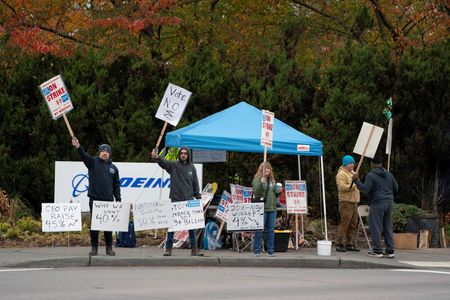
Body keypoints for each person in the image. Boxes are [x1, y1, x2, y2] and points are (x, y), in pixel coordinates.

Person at [71, 137, 121, 256]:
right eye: (102, 151)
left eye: (107, 151)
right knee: (95, 225)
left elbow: (116, 185)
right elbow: (83, 155)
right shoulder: (92, 162)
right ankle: (94, 248)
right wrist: (78, 146)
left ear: (109, 154)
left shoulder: (114, 168)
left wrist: (118, 199)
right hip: (95, 200)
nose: (105, 153)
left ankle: (109, 248)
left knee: (108, 226)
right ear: (99, 153)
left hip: (108, 201)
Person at [151, 147, 203, 256]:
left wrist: (198, 198)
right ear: (179, 155)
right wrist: (157, 157)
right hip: (175, 200)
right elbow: (164, 163)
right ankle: (168, 249)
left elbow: (195, 185)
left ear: (188, 155)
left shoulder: (192, 168)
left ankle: (194, 250)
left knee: (191, 228)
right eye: (181, 153)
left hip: (188, 201)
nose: (183, 155)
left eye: (185, 153)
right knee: (172, 227)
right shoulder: (174, 165)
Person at [353, 154, 398, 258]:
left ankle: (377, 250)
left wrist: (356, 180)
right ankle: (390, 250)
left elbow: (365, 189)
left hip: (377, 203)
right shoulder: (389, 174)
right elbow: (396, 188)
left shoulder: (371, 175)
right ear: (381, 164)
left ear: (372, 164)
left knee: (376, 227)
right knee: (388, 226)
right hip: (390, 202)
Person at [252, 161, 280, 257]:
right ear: (262, 169)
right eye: (266, 168)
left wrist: (278, 191)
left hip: (272, 208)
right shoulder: (258, 179)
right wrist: (261, 183)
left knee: (271, 231)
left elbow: (275, 194)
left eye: (269, 168)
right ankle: (256, 250)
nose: (267, 170)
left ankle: (270, 251)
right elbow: (256, 191)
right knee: (259, 230)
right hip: (262, 208)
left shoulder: (272, 180)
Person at [335, 155, 361, 252]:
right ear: (345, 164)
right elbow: (341, 187)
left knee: (353, 224)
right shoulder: (341, 174)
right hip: (346, 202)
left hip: (354, 202)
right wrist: (354, 185)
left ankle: (349, 243)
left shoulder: (352, 173)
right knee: (345, 223)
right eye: (350, 163)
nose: (352, 165)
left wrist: (357, 180)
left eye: (353, 163)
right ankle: (339, 243)